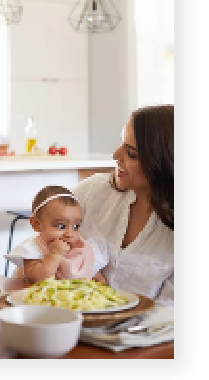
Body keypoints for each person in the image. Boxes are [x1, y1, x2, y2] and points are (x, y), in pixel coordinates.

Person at [72, 104, 174, 305]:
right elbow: (35, 252)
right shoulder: (92, 191)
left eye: (131, 153)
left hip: (146, 334)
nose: (116, 156)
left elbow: (170, 315)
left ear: (164, 162)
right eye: (121, 144)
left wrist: (103, 297)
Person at [4, 185, 108, 284]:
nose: (69, 234)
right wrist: (54, 255)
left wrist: (97, 278)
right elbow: (40, 280)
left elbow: (90, 268)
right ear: (36, 224)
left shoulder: (82, 247)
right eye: (61, 226)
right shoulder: (33, 250)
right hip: (43, 301)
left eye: (76, 226)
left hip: (78, 300)